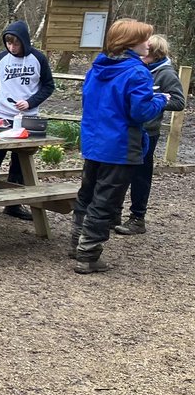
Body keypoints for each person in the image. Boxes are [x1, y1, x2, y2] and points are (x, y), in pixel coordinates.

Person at [71, 19, 168, 274]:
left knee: (87, 195)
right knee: (106, 201)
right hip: (120, 146)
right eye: (145, 38)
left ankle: (76, 244)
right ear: (130, 42)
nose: (149, 43)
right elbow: (141, 112)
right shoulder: (137, 72)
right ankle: (88, 255)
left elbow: (88, 103)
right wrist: (160, 99)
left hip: (94, 143)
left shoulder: (96, 68)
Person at [0, 20, 55, 220]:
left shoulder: (38, 59)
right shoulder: (1, 59)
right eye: (8, 43)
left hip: (27, 118)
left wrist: (31, 102)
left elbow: (49, 86)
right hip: (2, 116)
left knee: (20, 161)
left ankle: (14, 205)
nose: (12, 47)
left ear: (24, 41)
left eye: (16, 43)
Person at [114, 34, 186, 235]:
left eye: (146, 50)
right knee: (119, 172)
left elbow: (179, 102)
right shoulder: (135, 69)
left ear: (154, 54)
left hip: (148, 132)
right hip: (128, 129)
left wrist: (156, 100)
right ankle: (114, 215)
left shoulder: (166, 74)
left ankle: (137, 218)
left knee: (140, 175)